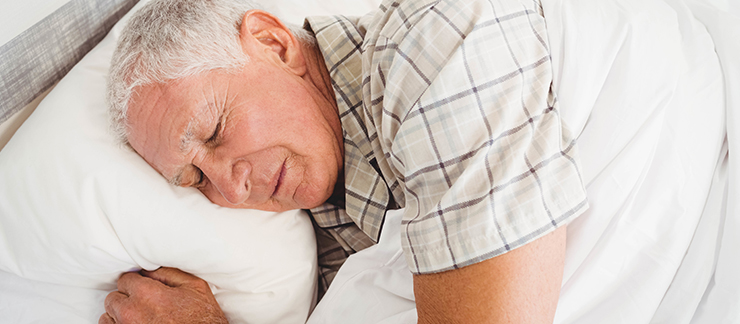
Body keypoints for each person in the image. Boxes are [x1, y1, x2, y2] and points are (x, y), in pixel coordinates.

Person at [101, 0, 589, 322]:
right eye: (195, 179)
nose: (230, 190)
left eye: (214, 131)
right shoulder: (326, 249)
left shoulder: (426, 39)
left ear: (274, 43)